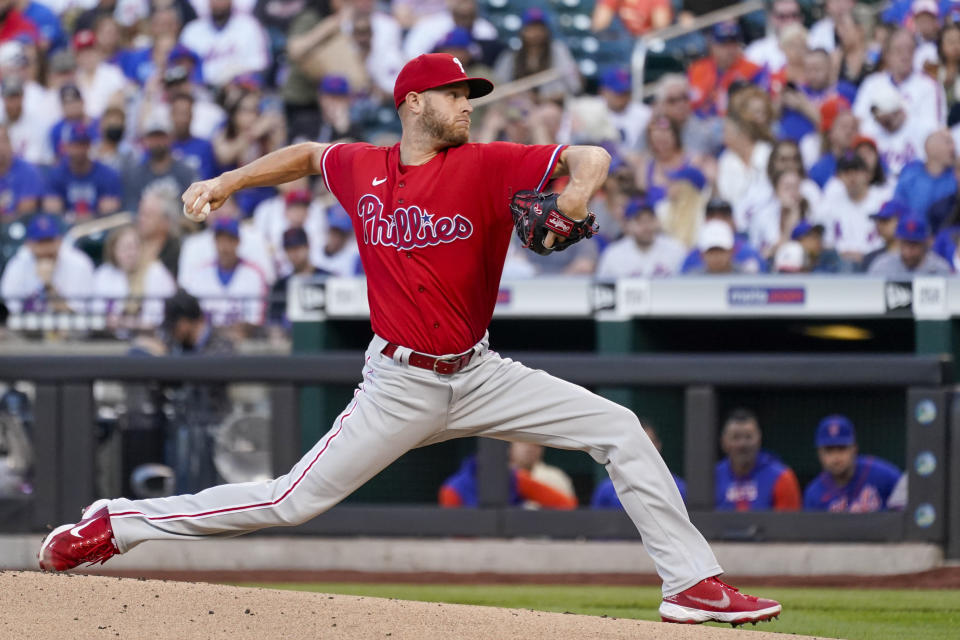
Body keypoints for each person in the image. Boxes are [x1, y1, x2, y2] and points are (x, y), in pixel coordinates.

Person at [39, 52, 782, 627]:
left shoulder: (486, 166)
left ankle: (690, 584)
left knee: (619, 427)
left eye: (470, 95)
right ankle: (118, 524)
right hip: (398, 384)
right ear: (414, 103)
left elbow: (590, 158)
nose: (468, 105)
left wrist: (573, 198)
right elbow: (304, 154)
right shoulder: (363, 167)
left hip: (479, 372)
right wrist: (229, 180)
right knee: (286, 502)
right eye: (458, 94)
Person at [179, 216, 268, 329]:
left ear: (238, 242)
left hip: (244, 342)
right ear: (214, 242)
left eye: (230, 240)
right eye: (220, 240)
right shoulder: (200, 274)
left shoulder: (254, 274)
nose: (224, 247)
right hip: (208, 340)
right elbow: (193, 317)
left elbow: (256, 321)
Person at [853, 28, 945, 136]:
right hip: (877, 149)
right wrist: (882, 122)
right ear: (887, 55)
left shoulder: (930, 86)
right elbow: (858, 123)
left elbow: (935, 129)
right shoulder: (872, 83)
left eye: (910, 50)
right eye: (899, 50)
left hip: (913, 151)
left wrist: (905, 121)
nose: (905, 56)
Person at [804, 415, 903, 512]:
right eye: (829, 450)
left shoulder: (884, 475)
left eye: (842, 448)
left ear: (854, 448)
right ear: (819, 453)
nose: (836, 457)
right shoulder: (814, 494)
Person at [0, 212, 94, 314]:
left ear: (60, 241)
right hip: (26, 328)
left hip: (70, 328)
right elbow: (10, 311)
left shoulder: (78, 263)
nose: (46, 248)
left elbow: (78, 315)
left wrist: (49, 285)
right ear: (29, 244)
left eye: (50, 241)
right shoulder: (18, 264)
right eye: (40, 242)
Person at [438, 445, 578, 510]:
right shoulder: (452, 489)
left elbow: (566, 505)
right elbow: (454, 536)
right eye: (523, 443)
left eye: (536, 444)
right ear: (510, 448)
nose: (530, 448)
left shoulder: (515, 479)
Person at [715, 409, 802, 512]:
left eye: (748, 437)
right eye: (736, 437)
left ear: (759, 439)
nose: (742, 444)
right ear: (723, 442)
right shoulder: (710, 478)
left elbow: (788, 525)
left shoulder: (782, 477)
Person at [92, 224, 177, 328]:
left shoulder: (155, 271)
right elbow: (95, 312)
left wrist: (127, 323)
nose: (130, 253)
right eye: (125, 248)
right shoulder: (104, 273)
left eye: (134, 247)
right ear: (113, 250)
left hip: (150, 336)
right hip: (109, 336)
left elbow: (157, 316)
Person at [815, 152, 888, 266]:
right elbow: (823, 242)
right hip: (840, 264)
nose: (852, 177)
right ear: (838, 177)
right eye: (847, 172)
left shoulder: (882, 200)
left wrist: (865, 257)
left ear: (868, 175)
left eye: (856, 170)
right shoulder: (830, 204)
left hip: (876, 261)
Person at [43, 122, 122, 222]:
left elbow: (110, 210)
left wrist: (77, 217)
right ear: (66, 146)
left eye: (83, 144)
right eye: (75, 145)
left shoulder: (107, 174)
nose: (80, 150)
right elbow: (52, 210)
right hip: (66, 230)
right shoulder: (56, 174)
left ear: (89, 145)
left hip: (99, 229)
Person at [179, 0, 270, 87]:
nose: (218, 2)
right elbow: (184, 69)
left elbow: (259, 66)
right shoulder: (192, 30)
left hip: (239, 88)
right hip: (202, 90)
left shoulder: (249, 26)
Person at [122, 107, 198, 211]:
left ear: (170, 138)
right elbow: (132, 209)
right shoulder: (136, 174)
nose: (157, 142)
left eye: (161, 136)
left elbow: (192, 207)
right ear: (146, 140)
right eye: (152, 137)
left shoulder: (185, 172)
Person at [592, 423, 686, 507]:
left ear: (658, 445)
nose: (643, 449)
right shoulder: (607, 489)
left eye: (649, 443)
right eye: (638, 444)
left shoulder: (678, 488)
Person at [687, 21, 765, 119]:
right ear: (711, 45)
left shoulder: (753, 70)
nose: (730, 50)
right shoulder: (696, 69)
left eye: (733, 43)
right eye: (724, 44)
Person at [595, 197, 686, 278]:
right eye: (640, 221)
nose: (646, 226)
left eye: (650, 220)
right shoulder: (613, 254)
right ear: (627, 225)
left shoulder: (675, 249)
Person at [681, 198, 765, 274]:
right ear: (702, 254)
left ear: (731, 251)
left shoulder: (749, 253)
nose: (717, 219)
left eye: (724, 216)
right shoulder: (692, 257)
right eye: (712, 216)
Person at [268, 226, 331, 328]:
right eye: (289, 249)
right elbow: (274, 320)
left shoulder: (327, 278)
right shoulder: (280, 285)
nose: (294, 254)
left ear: (307, 246)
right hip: (290, 338)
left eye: (297, 248)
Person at [892, 129, 957, 224]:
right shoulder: (910, 175)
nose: (953, 148)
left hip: (947, 234)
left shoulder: (956, 176)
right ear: (930, 148)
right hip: (910, 234)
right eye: (948, 142)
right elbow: (897, 208)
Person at [868, 215, 952, 275]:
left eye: (914, 245)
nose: (907, 251)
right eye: (904, 244)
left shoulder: (940, 269)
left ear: (925, 243)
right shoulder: (882, 266)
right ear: (898, 241)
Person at [744, 0, 803, 71]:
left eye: (794, 15)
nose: (789, 21)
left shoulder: (814, 44)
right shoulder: (756, 50)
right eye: (782, 16)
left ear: (801, 17)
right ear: (772, 18)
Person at [0, 123, 43, 220]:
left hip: (17, 229)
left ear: (10, 144)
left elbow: (25, 213)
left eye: (3, 141)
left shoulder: (28, 171)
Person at [861, 199, 907, 272]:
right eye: (878, 221)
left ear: (901, 221)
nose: (879, 226)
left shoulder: (914, 258)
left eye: (885, 220)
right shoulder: (871, 258)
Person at [314, 203, 360, 275]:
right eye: (333, 231)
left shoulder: (354, 258)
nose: (335, 238)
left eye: (340, 234)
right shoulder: (315, 250)